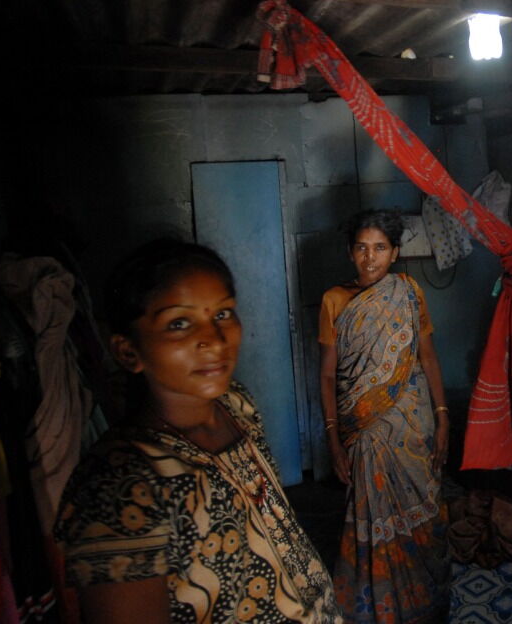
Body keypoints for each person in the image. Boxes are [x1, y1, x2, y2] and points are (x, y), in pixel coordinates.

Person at [54, 239, 343, 624]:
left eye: (223, 314)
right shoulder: (120, 486)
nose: (214, 340)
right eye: (179, 323)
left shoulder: (235, 406)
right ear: (128, 352)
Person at [318, 210, 451, 623]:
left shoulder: (409, 291)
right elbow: (326, 375)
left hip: (414, 426)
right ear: (350, 252)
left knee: (423, 511)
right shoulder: (334, 300)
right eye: (361, 248)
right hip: (363, 434)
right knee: (368, 512)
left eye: (379, 248)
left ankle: (427, 601)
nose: (369, 258)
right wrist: (333, 438)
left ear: (395, 253)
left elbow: (427, 357)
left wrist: (444, 417)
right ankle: (380, 603)